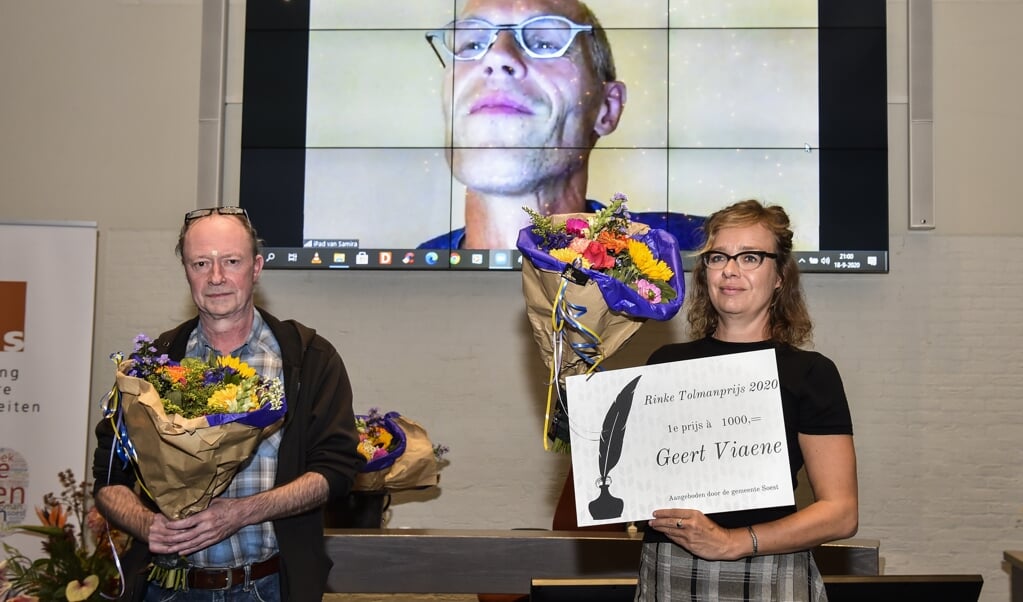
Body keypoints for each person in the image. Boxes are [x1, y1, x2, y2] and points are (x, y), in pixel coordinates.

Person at [92, 206, 365, 601]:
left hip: (268, 587)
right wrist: (145, 523)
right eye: (201, 263)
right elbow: (107, 479)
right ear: (186, 270)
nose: (216, 277)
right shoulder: (152, 366)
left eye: (230, 261)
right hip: (167, 590)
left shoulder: (309, 359)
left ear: (256, 268)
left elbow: (338, 470)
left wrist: (241, 512)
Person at [635, 199, 858, 601]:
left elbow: (841, 513)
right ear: (705, 272)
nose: (731, 270)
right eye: (718, 257)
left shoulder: (811, 373)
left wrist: (733, 542)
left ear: (780, 276)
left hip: (767, 568)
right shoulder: (665, 364)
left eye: (750, 257)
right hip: (670, 569)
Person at [418, 0, 705, 251]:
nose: (497, 56)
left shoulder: (705, 251)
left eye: (544, 42)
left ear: (607, 109)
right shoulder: (401, 288)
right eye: (471, 44)